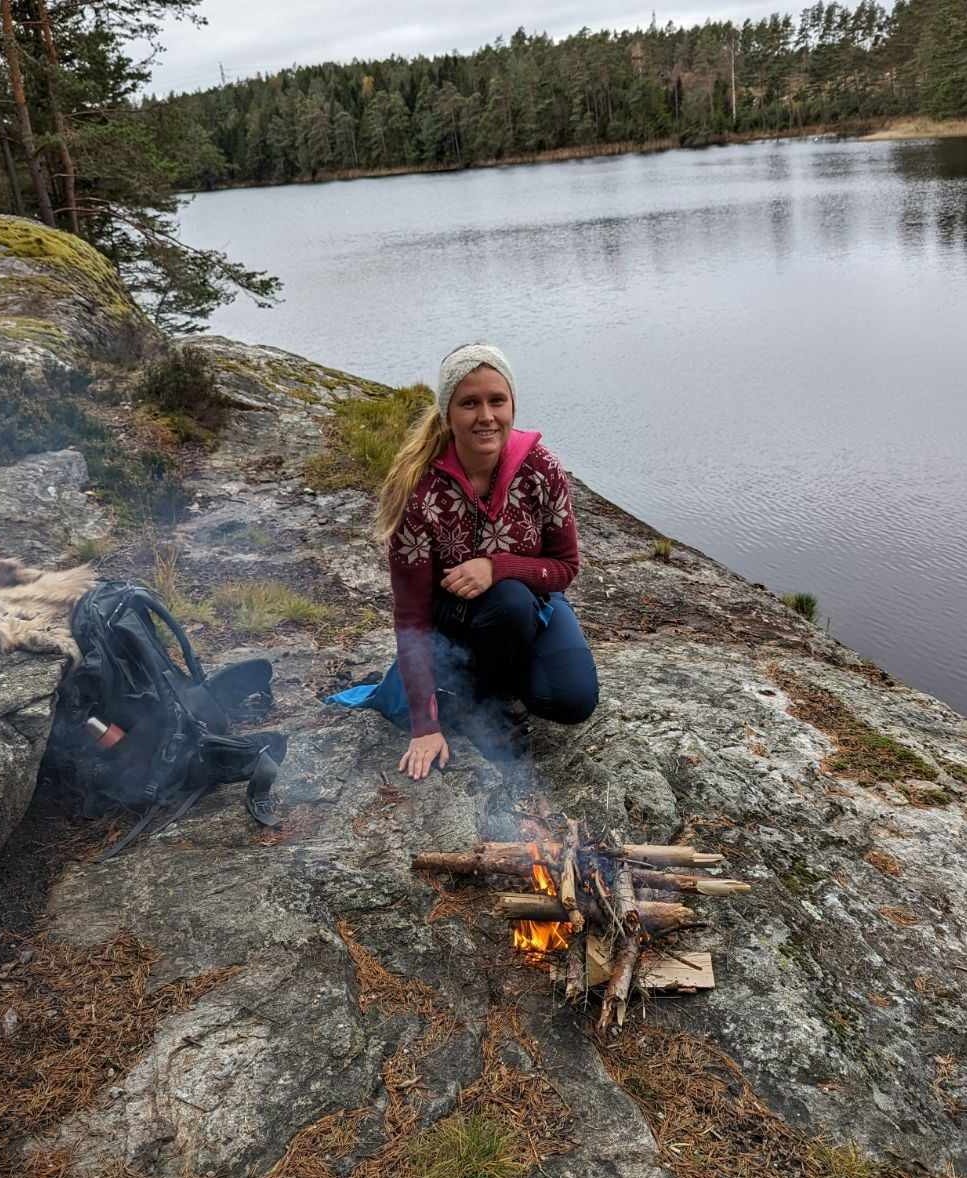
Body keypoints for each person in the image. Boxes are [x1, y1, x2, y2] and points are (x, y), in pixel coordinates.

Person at [362, 342, 598, 780]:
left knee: (573, 700)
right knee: (508, 603)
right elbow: (412, 616)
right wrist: (425, 725)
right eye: (469, 403)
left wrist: (498, 565)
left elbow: (565, 567)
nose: (486, 416)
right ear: (448, 413)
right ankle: (479, 701)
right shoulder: (419, 489)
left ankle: (477, 681)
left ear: (512, 405)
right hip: (454, 620)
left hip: (534, 604)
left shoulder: (542, 469)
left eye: (497, 400)